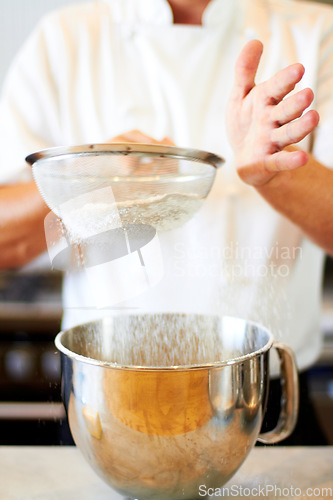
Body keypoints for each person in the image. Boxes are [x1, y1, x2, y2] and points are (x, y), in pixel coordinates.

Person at [0, 0, 332, 444]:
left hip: (263, 399)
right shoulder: (64, 39)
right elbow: (7, 242)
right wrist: (87, 182)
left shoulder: (316, 34)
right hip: (105, 400)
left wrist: (275, 176)